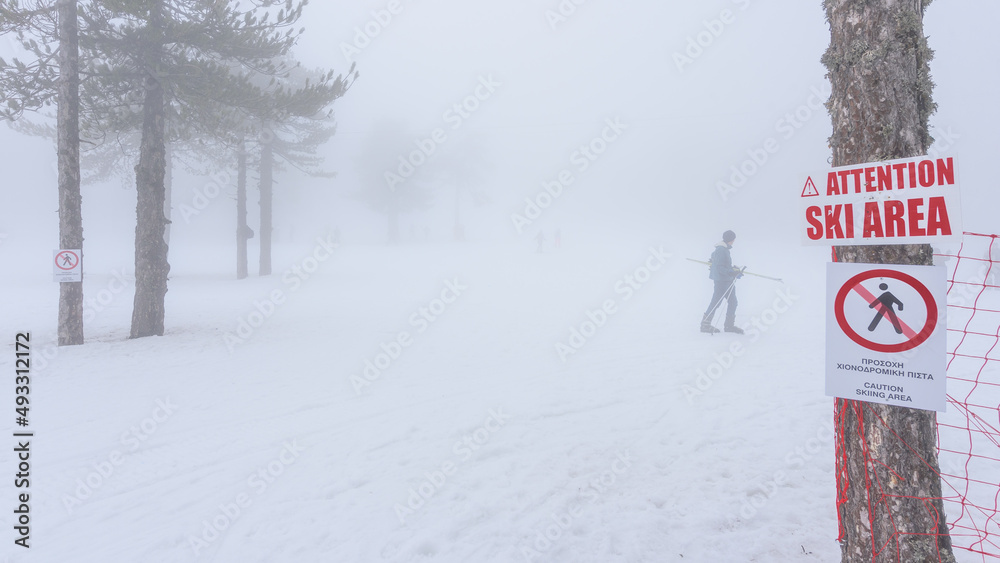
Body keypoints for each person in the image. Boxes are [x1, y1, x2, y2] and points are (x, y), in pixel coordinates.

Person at [701, 230, 744, 334]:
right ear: (731, 239)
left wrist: (732, 270)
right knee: (720, 301)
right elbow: (720, 267)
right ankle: (707, 325)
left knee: (731, 302)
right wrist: (732, 273)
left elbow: (716, 260)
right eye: (733, 239)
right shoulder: (722, 249)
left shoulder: (722, 249)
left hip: (725, 280)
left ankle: (727, 326)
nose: (734, 241)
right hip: (722, 281)